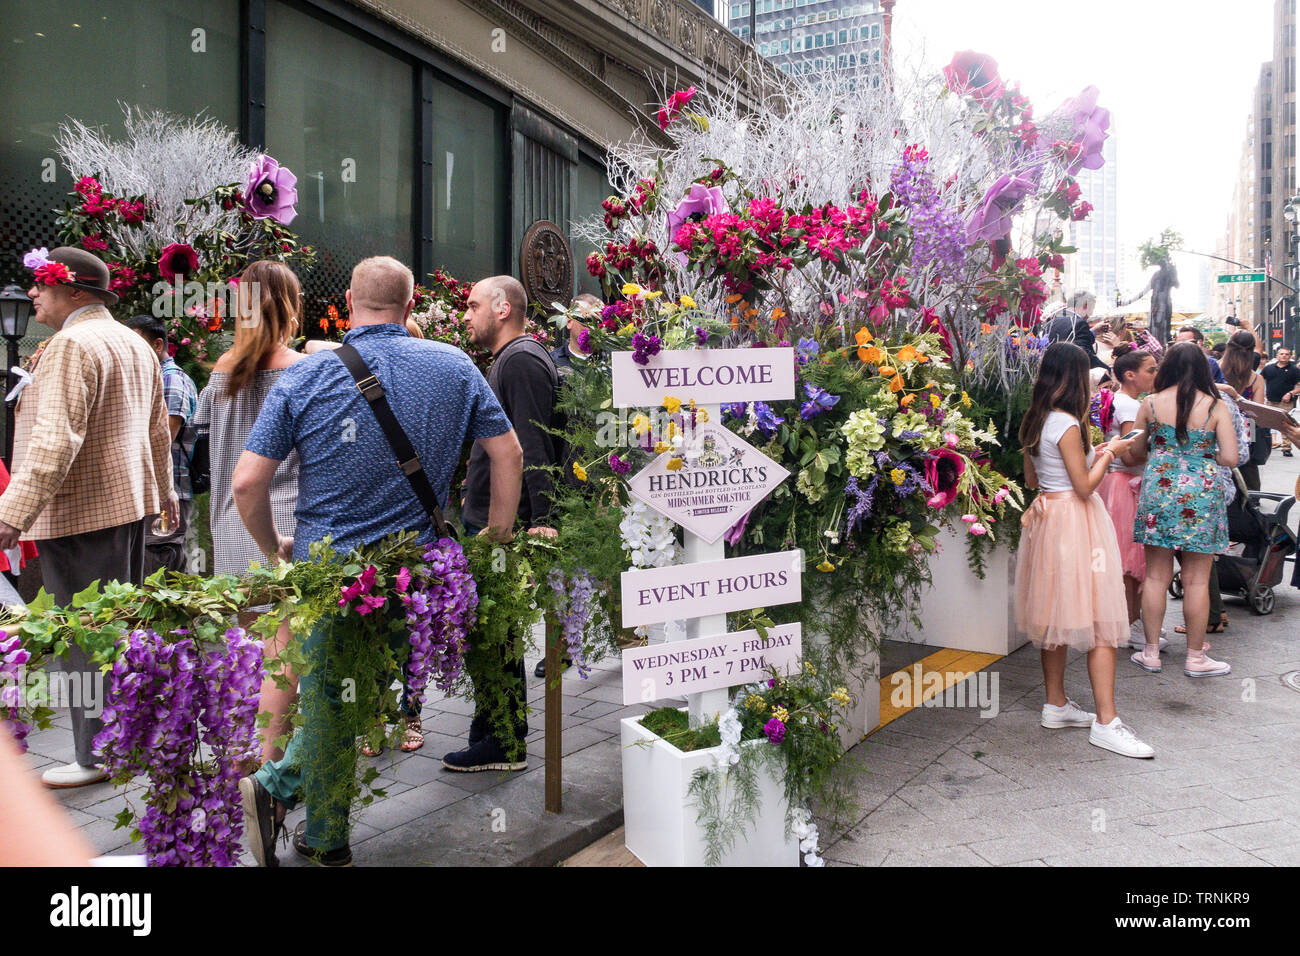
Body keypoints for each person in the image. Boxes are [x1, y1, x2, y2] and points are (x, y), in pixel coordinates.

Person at [235, 256, 521, 867]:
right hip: (414, 574)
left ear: (349, 300)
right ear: (411, 304)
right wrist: (492, 540)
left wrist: (271, 548)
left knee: (337, 698)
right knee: (359, 696)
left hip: (325, 574)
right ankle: (317, 832)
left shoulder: (305, 378)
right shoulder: (455, 366)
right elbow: (509, 454)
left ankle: (293, 803)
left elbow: (245, 483)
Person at [0, 247, 175, 788]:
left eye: (40, 285)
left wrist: (11, 514)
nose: (32, 294)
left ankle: (96, 755)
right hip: (127, 508)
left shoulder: (71, 344)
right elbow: (158, 430)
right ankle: (127, 741)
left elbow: (56, 439)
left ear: (74, 291)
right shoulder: (132, 341)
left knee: (82, 639)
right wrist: (165, 493)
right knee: (115, 630)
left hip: (77, 514)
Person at [1015, 342, 1154, 759]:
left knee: (1054, 612)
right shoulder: (1068, 424)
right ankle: (1106, 721)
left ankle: (1055, 704)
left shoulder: (1035, 420)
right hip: (1077, 521)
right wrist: (1112, 449)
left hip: (1048, 521)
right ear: (1075, 377)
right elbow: (1084, 485)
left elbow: (1032, 479)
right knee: (1100, 617)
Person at [446, 274, 563, 766]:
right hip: (496, 520)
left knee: (496, 631)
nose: (464, 315)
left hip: (502, 525)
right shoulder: (512, 361)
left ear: (501, 308)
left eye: (471, 305)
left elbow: (534, 446)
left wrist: (543, 518)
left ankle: (503, 739)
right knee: (493, 630)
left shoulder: (518, 362)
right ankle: (492, 730)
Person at [193, 261, 304, 771]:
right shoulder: (302, 371)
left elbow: (200, 447)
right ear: (291, 305)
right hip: (282, 531)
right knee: (282, 664)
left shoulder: (220, 373)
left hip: (230, 529)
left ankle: (239, 757)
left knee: (241, 656)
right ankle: (263, 775)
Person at [1130, 342, 1239, 678]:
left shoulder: (1149, 403)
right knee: (1195, 580)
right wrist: (1203, 457)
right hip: (1202, 496)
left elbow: (1134, 451)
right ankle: (1195, 657)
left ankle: (1150, 652)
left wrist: (1160, 452)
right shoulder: (1215, 405)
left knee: (1155, 576)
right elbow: (1232, 458)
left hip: (1159, 491)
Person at [1095, 344, 1167, 654]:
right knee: (1129, 562)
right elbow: (1128, 453)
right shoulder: (1128, 406)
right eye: (1150, 370)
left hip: (1121, 484)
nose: (1155, 375)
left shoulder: (1124, 401)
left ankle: (1131, 622)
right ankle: (1129, 623)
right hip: (1125, 486)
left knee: (1129, 560)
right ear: (1130, 375)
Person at [124, 314, 198, 574]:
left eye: (137, 343)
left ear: (158, 345)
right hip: (156, 490)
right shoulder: (154, 377)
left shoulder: (170, 379)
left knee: (160, 568)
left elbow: (164, 437)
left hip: (168, 490)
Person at [1219, 329, 1267, 489]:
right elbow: (1257, 413)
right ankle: (1250, 501)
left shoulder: (1214, 370)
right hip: (1248, 432)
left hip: (1217, 426)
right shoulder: (1256, 379)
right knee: (1248, 469)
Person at [1044, 291, 1109, 370]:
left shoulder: (1051, 323)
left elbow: (1073, 340)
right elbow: (1084, 354)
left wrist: (1092, 332)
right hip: (1070, 376)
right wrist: (1108, 370)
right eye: (1092, 309)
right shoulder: (1079, 323)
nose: (1091, 314)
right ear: (1085, 305)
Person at [550, 292, 602, 376]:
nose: (593, 327)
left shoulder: (612, 361)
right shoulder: (551, 362)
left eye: (598, 322)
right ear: (569, 322)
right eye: (586, 321)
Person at [1260, 346, 1300, 456]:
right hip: (1270, 400)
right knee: (1267, 423)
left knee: (1286, 424)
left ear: (1290, 356)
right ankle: (1266, 445)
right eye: (1282, 354)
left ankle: (1286, 448)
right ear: (1277, 356)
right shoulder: (1268, 368)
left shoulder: (1295, 370)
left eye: (1287, 354)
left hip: (1286, 402)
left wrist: (1291, 393)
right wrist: (1262, 394)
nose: (1284, 356)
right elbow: (1260, 381)